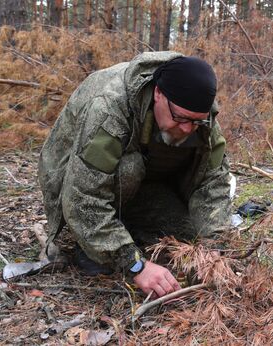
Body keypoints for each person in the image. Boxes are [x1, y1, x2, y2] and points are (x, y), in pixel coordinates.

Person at [38, 52, 233, 298]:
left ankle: (125, 229)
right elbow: (82, 199)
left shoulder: (202, 119)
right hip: (77, 180)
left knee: (191, 236)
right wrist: (135, 264)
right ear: (158, 94)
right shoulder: (109, 109)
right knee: (130, 169)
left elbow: (213, 183)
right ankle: (93, 244)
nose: (186, 129)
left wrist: (215, 247)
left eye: (196, 122)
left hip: (148, 186)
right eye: (180, 118)